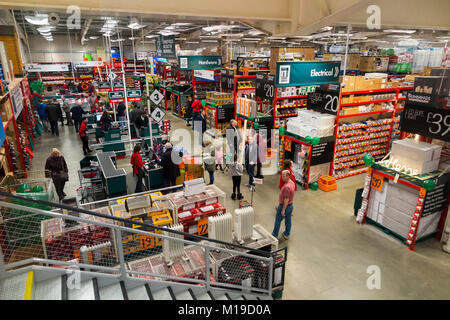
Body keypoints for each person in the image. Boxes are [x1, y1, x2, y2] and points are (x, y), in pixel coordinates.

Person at [272, 170, 296, 241]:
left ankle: (274, 234)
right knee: (288, 220)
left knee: (278, 220)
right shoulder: (292, 183)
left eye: (283, 176)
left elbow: (286, 199)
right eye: (282, 176)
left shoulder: (287, 187)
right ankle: (286, 234)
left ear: (288, 176)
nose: (282, 177)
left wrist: (283, 210)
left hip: (284, 206)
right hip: (291, 206)